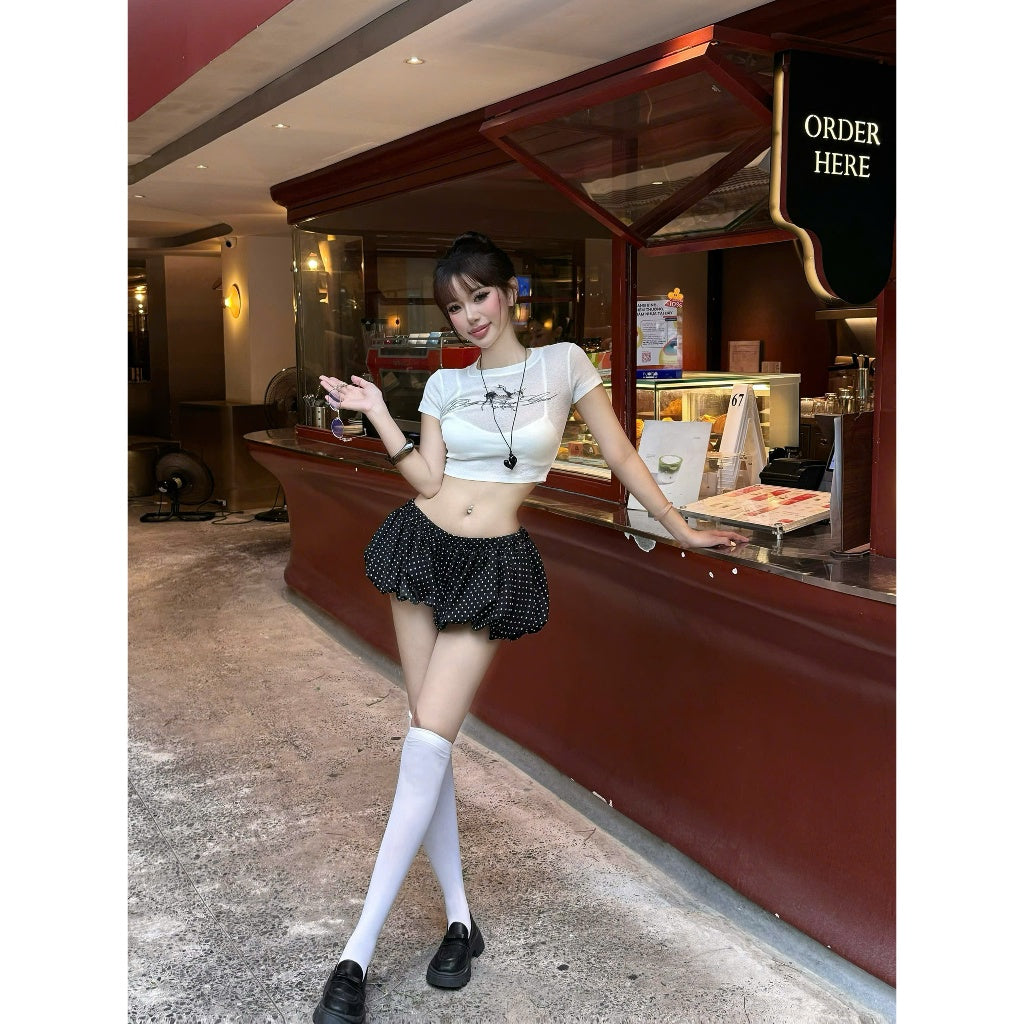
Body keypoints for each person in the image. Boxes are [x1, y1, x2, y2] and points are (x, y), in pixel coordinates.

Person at [312, 231, 748, 1024]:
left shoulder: (564, 364)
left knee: (427, 742)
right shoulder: (446, 384)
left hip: (492, 563)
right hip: (420, 547)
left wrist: (679, 526)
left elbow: (621, 455)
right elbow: (427, 480)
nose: (469, 316)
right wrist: (378, 414)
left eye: (479, 295)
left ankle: (356, 954)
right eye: (454, 307)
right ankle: (459, 923)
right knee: (428, 743)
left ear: (510, 292)